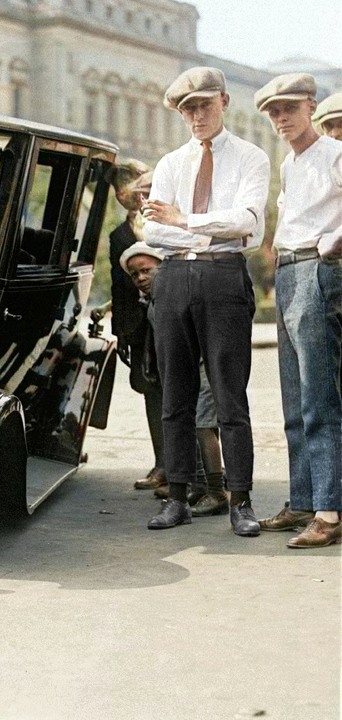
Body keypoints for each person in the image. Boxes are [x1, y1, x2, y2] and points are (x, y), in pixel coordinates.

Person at [142, 66, 270, 536]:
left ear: (223, 102)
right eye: (187, 109)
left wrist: (184, 218)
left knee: (229, 394)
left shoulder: (251, 158)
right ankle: (178, 497)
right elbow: (152, 229)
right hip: (173, 276)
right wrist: (194, 221)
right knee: (175, 393)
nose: (196, 116)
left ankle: (241, 500)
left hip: (223, 275)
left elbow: (246, 221)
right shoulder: (172, 163)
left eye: (203, 105)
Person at [254, 74, 342, 548]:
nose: (282, 119)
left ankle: (330, 512)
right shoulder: (290, 163)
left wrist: (331, 245)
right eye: (274, 113)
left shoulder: (335, 153)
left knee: (318, 397)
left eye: (289, 109)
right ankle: (304, 500)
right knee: (293, 396)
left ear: (310, 106)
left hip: (317, 268)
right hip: (289, 270)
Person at [120, 242, 228, 517]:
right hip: (187, 370)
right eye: (135, 275)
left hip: (204, 368)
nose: (141, 278)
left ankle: (217, 492)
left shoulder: (178, 294)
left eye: (146, 270)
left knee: (204, 426)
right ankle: (201, 485)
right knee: (190, 426)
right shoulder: (154, 302)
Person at [103, 159, 164, 490]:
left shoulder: (162, 225)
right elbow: (118, 285)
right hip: (138, 330)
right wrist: (122, 333)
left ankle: (187, 466)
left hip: (168, 322)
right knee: (151, 394)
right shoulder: (118, 235)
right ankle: (162, 464)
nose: (121, 193)